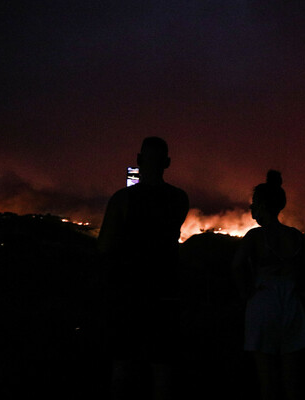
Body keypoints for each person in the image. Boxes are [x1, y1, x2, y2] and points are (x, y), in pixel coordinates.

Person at [98, 137, 189, 400]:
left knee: (122, 365)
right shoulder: (179, 198)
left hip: (128, 292)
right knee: (162, 368)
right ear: (168, 163)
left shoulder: (122, 199)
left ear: (138, 161)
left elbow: (104, 246)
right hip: (166, 292)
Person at [232, 170, 305, 400]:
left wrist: (245, 292)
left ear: (263, 206)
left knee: (266, 378)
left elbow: (235, 266)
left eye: (254, 203)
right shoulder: (294, 236)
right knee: (291, 376)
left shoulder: (255, 236)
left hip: (263, 301)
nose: (252, 208)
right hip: (291, 301)